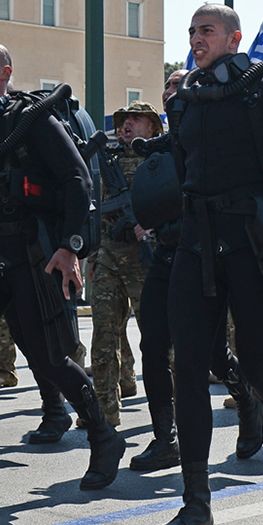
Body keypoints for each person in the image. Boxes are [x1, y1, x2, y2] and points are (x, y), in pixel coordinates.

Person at [155, 4, 263, 525]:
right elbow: (183, 174)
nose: (195, 38)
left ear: (233, 39)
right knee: (187, 367)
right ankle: (196, 506)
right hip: (196, 245)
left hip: (253, 245)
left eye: (206, 30)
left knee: (257, 363)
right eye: (191, 31)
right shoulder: (184, 101)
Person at [0, 40, 123, 504]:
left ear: (6, 71)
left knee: (49, 358)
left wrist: (70, 247)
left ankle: (103, 435)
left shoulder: (32, 119)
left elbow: (77, 180)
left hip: (32, 252)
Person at [129, 71, 263, 475]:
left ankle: (248, 403)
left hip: (207, 254)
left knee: (212, 353)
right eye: (167, 87)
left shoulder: (210, 140)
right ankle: (165, 439)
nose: (172, 93)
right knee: (153, 346)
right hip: (168, 255)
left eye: (180, 86)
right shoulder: (159, 149)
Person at [88, 101, 153, 426]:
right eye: (124, 119)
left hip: (144, 259)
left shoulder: (159, 162)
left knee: (156, 338)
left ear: (152, 127)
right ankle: (106, 408)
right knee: (103, 333)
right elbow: (98, 213)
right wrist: (94, 256)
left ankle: (170, 407)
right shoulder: (109, 163)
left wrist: (151, 228)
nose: (127, 124)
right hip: (109, 255)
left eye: (136, 119)